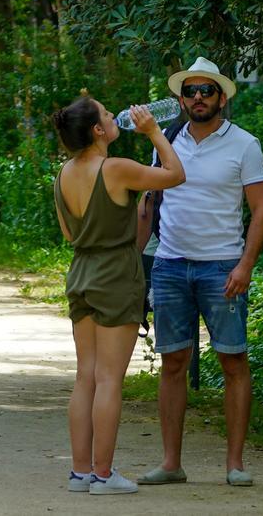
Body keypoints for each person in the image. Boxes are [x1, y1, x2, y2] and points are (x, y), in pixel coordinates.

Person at [139, 57, 263, 488]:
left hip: (222, 267)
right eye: (190, 91)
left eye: (206, 91)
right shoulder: (166, 140)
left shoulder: (244, 145)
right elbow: (147, 205)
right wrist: (135, 262)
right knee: (173, 361)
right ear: (180, 99)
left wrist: (245, 265)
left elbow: (260, 209)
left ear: (221, 97)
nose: (198, 97)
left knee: (233, 361)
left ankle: (234, 463)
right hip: (171, 265)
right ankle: (171, 462)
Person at [52, 95, 185, 495]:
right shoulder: (117, 169)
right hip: (116, 274)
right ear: (97, 130)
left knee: (85, 377)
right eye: (109, 115)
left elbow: (69, 234)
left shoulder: (64, 174)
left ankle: (80, 473)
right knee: (110, 379)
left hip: (81, 272)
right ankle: (104, 475)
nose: (116, 118)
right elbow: (175, 174)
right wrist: (154, 132)